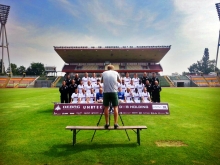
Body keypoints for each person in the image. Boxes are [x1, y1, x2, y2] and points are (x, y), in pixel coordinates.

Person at [101, 64, 121, 129]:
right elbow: (120, 81)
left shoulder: (104, 73)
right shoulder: (116, 73)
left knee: (106, 107)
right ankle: (115, 123)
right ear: (113, 68)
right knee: (115, 107)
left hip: (106, 92)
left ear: (107, 68)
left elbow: (101, 81)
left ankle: (107, 123)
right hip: (114, 92)